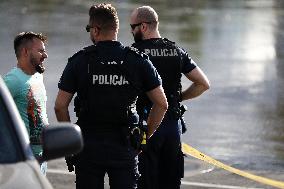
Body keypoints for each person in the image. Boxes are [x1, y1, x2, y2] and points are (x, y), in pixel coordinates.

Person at [54, 3, 168, 189]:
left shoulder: (80, 61)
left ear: (96, 30)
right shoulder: (137, 60)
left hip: (87, 145)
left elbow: (60, 105)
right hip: (125, 144)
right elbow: (162, 104)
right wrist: (145, 136)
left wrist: (70, 142)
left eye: (89, 29)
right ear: (116, 28)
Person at [130, 6, 210, 189]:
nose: (131, 31)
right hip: (173, 128)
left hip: (147, 127)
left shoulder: (134, 53)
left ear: (143, 27)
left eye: (132, 27)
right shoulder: (176, 50)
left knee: (144, 183)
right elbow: (203, 84)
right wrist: (179, 98)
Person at [3, 31, 49, 175]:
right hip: (23, 159)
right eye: (41, 51)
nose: (45, 55)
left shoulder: (37, 76)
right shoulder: (12, 80)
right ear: (25, 51)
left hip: (41, 157)